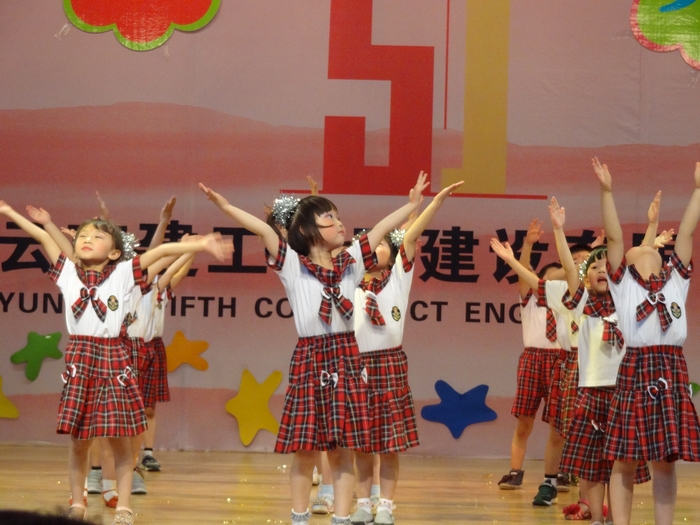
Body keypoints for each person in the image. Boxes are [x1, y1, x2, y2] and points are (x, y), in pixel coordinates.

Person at [199, 172, 428, 525]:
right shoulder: (293, 265)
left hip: (347, 357)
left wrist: (410, 205)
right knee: (305, 451)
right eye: (329, 218)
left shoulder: (351, 261)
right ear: (307, 230)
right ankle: (299, 517)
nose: (340, 223)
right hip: (311, 357)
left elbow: (381, 229)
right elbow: (261, 231)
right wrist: (226, 206)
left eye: (338, 216)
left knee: (342, 450)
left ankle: (341, 518)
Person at [0, 200, 231, 524]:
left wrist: (200, 244)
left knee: (120, 438)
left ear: (114, 253)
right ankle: (78, 503)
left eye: (97, 236)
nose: (87, 239)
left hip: (113, 357)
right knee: (79, 440)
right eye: (83, 235)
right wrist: (12, 214)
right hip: (81, 358)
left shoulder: (123, 273)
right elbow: (43, 238)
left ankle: (123, 506)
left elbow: (161, 252)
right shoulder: (68, 272)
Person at [594, 158, 700, 525]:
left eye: (651, 248)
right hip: (637, 367)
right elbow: (614, 237)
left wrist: (698, 189)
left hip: (671, 367)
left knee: (665, 462)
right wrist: (607, 191)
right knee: (624, 459)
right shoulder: (624, 285)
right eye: (638, 249)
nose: (646, 249)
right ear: (628, 263)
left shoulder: (675, 280)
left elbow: (686, 234)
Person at [350, 181, 463, 525]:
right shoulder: (348, 284)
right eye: (368, 246)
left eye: (381, 244)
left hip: (390, 364)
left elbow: (411, 236)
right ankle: (362, 503)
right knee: (361, 445)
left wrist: (433, 202)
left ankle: (385, 504)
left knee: (389, 445)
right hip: (357, 366)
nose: (374, 249)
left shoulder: (399, 276)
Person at [493, 218, 575, 506]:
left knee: (559, 423)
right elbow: (524, 271)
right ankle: (515, 472)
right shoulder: (529, 298)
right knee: (524, 422)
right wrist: (527, 245)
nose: (554, 282)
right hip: (533, 359)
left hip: (560, 361)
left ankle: (559, 473)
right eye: (550, 278)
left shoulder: (568, 304)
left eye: (560, 279)